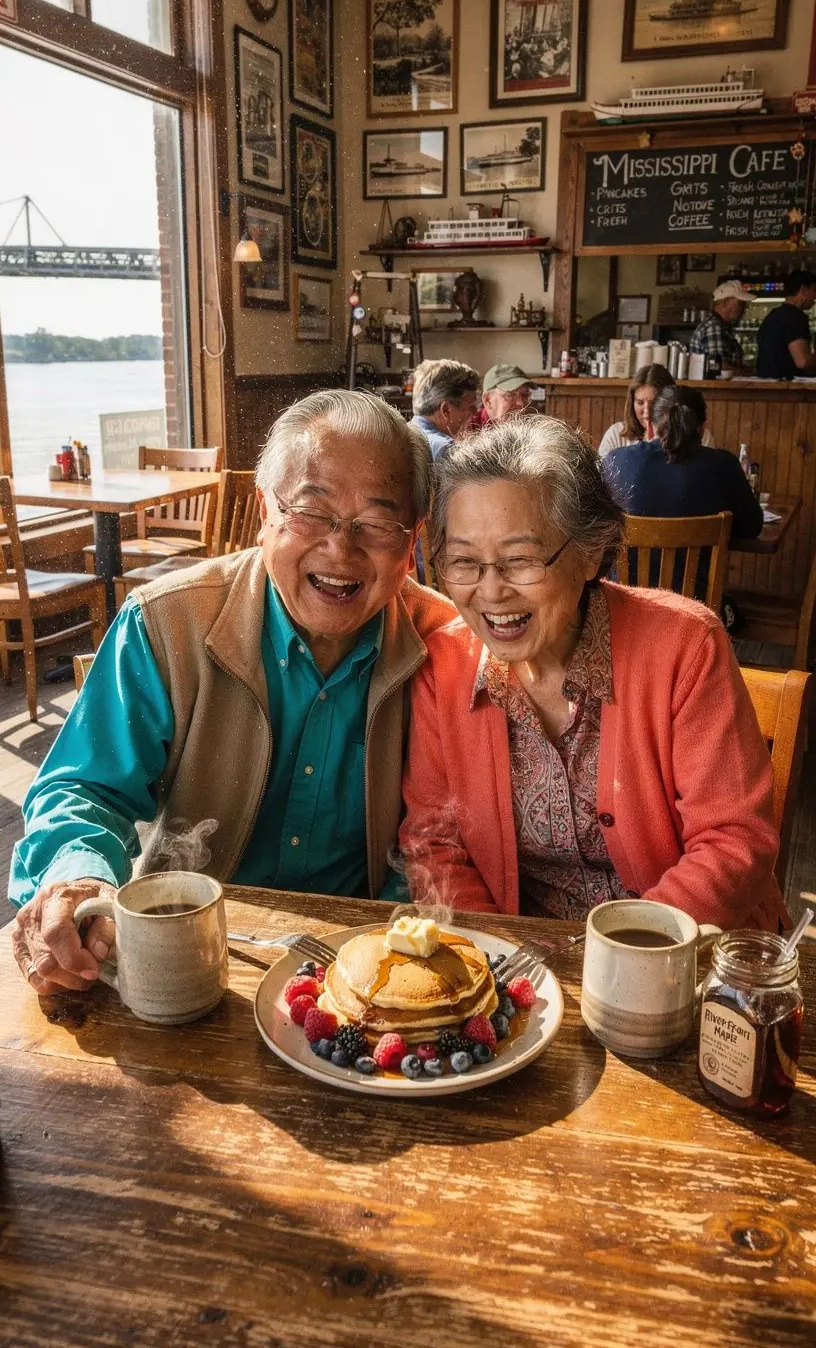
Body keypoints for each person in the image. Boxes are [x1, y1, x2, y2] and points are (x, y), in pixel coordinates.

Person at [11, 391, 456, 994]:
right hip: (193, 958)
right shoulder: (167, 625)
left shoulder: (448, 648)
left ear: (414, 540)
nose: (340, 549)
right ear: (264, 508)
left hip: (367, 973)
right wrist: (77, 879)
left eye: (377, 524)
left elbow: (452, 844)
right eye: (311, 510)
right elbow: (83, 789)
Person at [399, 416, 783, 930]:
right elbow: (434, 843)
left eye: (520, 559)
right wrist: (502, 960)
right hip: (525, 974)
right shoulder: (442, 667)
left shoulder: (684, 645)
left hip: (690, 956)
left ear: (588, 552)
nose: (490, 592)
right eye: (464, 562)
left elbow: (734, 842)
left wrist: (619, 958)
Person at [603, 383, 762, 599]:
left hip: (624, 608)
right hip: (695, 614)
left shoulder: (616, 460)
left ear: (652, 425)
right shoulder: (725, 466)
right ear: (703, 427)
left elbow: (594, 523)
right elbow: (752, 526)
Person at [597, 364, 715, 458]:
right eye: (640, 403)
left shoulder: (699, 434)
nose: (647, 413)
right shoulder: (615, 434)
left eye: (654, 404)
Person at [409, 358, 480, 460]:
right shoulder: (446, 450)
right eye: (470, 406)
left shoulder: (403, 432)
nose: (475, 411)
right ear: (446, 410)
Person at [756, 269, 816, 380]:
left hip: (767, 387)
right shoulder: (796, 317)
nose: (815, 296)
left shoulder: (772, 316)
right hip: (788, 389)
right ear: (803, 290)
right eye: (814, 290)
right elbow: (803, 361)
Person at [689, 279, 754, 375]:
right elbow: (718, 368)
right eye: (741, 304)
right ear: (727, 302)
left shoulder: (719, 325)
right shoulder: (713, 326)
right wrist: (748, 374)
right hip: (712, 390)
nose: (744, 308)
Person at [474, 363, 536, 428]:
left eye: (525, 395)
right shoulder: (468, 430)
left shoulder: (532, 427)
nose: (521, 404)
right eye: (510, 395)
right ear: (488, 400)